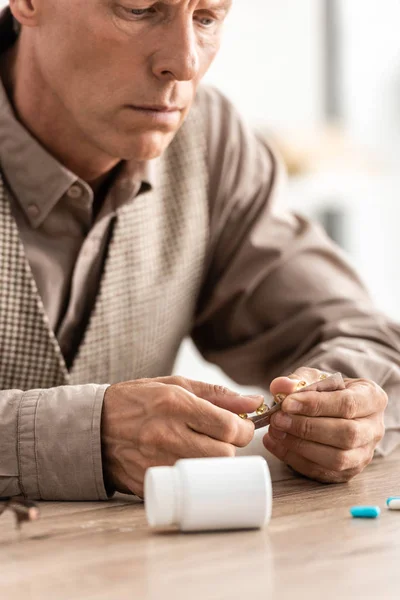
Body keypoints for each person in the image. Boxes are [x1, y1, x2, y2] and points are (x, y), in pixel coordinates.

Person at [0, 0, 398, 502]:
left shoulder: (210, 144)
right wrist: (82, 436)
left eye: (207, 16)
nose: (185, 63)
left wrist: (349, 413)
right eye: (140, 8)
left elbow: (369, 344)